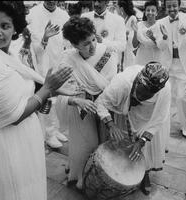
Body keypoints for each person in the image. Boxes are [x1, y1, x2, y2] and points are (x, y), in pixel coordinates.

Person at [0, 2, 73, 199]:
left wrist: (50, 89)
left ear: (16, 27)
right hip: (6, 144)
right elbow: (14, 115)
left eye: (5, 26)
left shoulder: (6, 53)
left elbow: (26, 81)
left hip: (25, 138)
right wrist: (47, 89)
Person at [58, 16, 118, 189]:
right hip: (80, 109)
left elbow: (112, 85)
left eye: (93, 39)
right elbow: (56, 92)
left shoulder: (107, 53)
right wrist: (77, 100)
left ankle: (102, 176)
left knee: (104, 144)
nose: (93, 46)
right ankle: (81, 177)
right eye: (86, 43)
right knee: (85, 144)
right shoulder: (68, 59)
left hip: (105, 106)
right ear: (75, 45)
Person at [95, 62, 171, 195]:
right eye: (141, 92)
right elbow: (100, 102)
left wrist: (142, 140)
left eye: (148, 95)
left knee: (145, 147)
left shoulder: (165, 90)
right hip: (124, 113)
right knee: (124, 144)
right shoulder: (122, 83)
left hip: (149, 117)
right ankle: (124, 172)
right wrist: (111, 124)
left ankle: (144, 173)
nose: (142, 97)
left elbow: (160, 118)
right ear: (137, 82)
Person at [27, 1, 70, 148]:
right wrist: (45, 38)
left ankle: (55, 130)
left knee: (59, 99)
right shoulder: (33, 13)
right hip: (42, 64)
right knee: (47, 100)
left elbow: (67, 41)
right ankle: (48, 134)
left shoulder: (64, 14)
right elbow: (33, 47)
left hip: (59, 61)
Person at [158, 0, 186, 137]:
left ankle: (185, 125)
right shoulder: (160, 22)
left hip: (184, 66)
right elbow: (160, 46)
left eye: (174, 6)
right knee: (165, 97)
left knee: (181, 98)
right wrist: (163, 37)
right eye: (169, 6)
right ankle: (163, 126)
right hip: (167, 66)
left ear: (179, 6)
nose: (172, 9)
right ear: (165, 7)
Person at [81, 0, 126, 68]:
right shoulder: (84, 17)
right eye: (94, 1)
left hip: (108, 65)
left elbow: (122, 46)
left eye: (99, 1)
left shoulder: (118, 20)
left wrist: (102, 41)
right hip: (86, 63)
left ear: (107, 2)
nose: (96, 4)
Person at [135, 1, 165, 66]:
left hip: (156, 60)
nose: (150, 12)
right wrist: (135, 32)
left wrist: (153, 38)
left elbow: (162, 45)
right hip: (141, 59)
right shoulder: (139, 25)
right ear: (145, 12)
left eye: (153, 10)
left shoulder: (160, 25)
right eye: (148, 10)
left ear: (156, 13)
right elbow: (134, 45)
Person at [117, 0, 138, 70]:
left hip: (128, 53)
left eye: (117, 7)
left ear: (121, 9)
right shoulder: (121, 19)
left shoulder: (132, 18)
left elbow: (132, 38)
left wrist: (123, 35)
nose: (116, 9)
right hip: (121, 52)